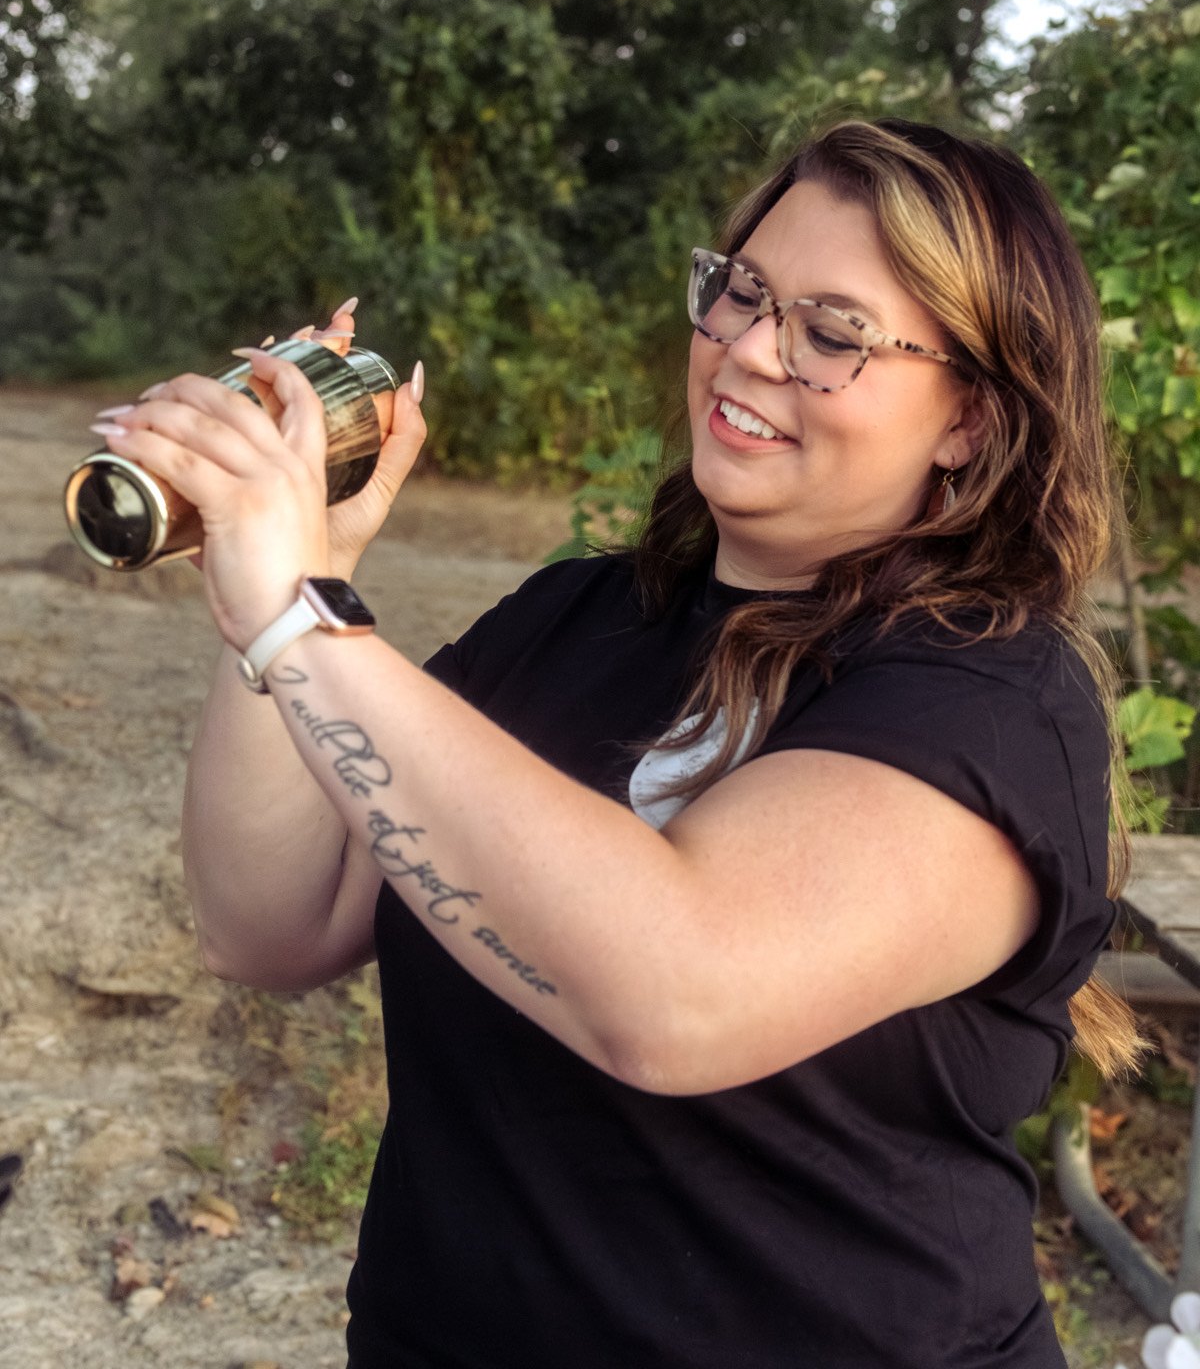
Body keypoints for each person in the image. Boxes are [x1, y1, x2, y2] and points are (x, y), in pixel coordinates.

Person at [88, 117, 1147, 1368]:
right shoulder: (575, 615)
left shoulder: (990, 701)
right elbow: (266, 923)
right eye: (742, 293)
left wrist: (303, 621)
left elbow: (676, 996)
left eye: (832, 333)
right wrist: (299, 575)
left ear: (970, 416)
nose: (749, 350)